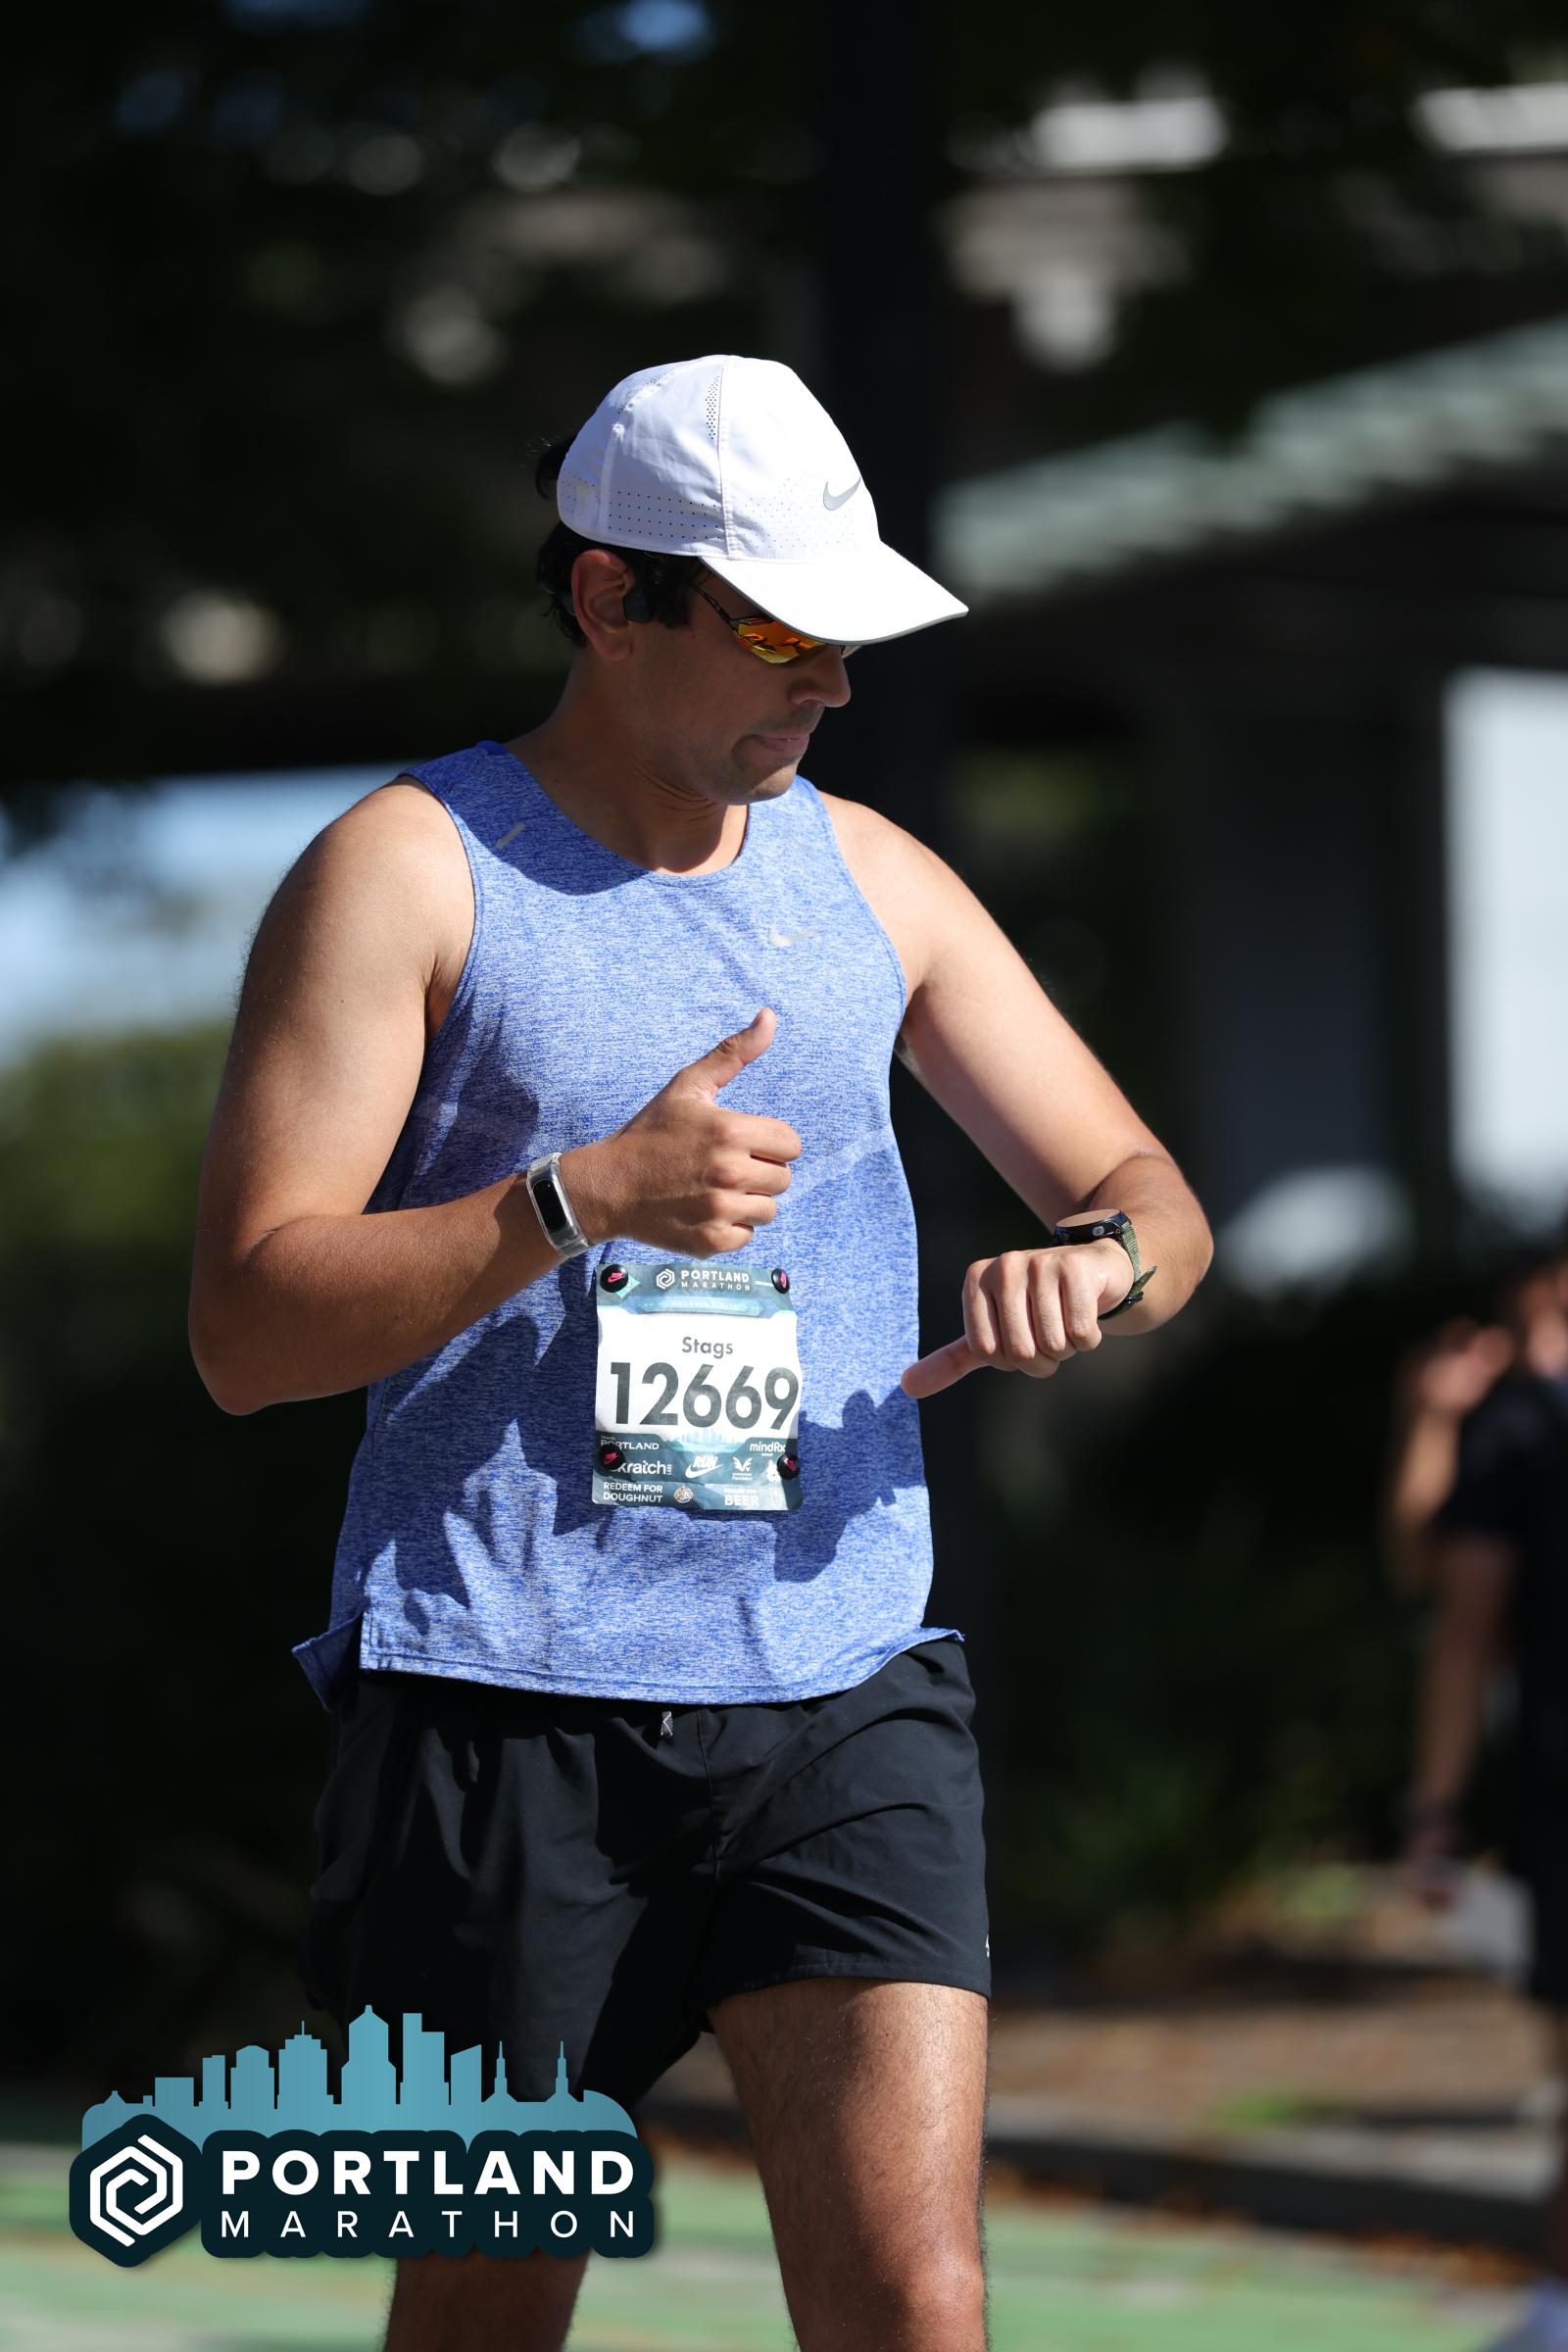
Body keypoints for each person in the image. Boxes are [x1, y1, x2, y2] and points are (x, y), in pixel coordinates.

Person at [188, 353, 1213, 2352]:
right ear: (607, 597)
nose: (825, 684)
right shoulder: (406, 870)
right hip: (502, 1703)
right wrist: (573, 1199)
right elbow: (246, 1328)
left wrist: (1094, 1271)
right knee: (489, 2313)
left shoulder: (878, 880)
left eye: (845, 640)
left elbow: (1145, 1192)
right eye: (775, 634)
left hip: (840, 1673)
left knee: (915, 2298)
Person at [1384, 1240, 1568, 2352]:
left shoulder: (1520, 1430)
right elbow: (1437, 1571)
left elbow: (1451, 1610)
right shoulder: (1515, 1431)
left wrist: (1434, 1810)